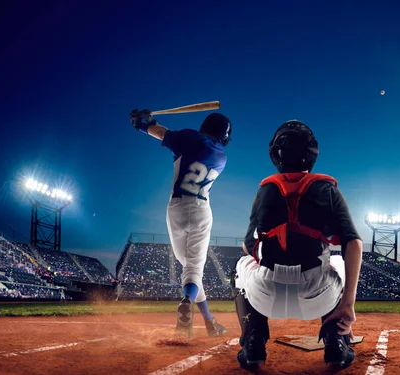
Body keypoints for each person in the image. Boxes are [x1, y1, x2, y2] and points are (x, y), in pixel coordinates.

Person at [232, 120, 363, 369]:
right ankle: (337, 343)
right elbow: (353, 244)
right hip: (318, 295)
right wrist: (348, 304)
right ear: (311, 154)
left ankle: (253, 342)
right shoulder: (327, 188)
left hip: (265, 294)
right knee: (338, 259)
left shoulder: (265, 190)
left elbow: (249, 246)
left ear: (275, 154)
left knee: (240, 264)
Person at [130, 108, 231, 338]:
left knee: (189, 269)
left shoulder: (189, 137)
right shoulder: (221, 157)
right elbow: (194, 143)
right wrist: (150, 123)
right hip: (201, 210)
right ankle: (193, 306)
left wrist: (142, 124)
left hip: (175, 207)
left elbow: (160, 133)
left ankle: (208, 320)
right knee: (193, 270)